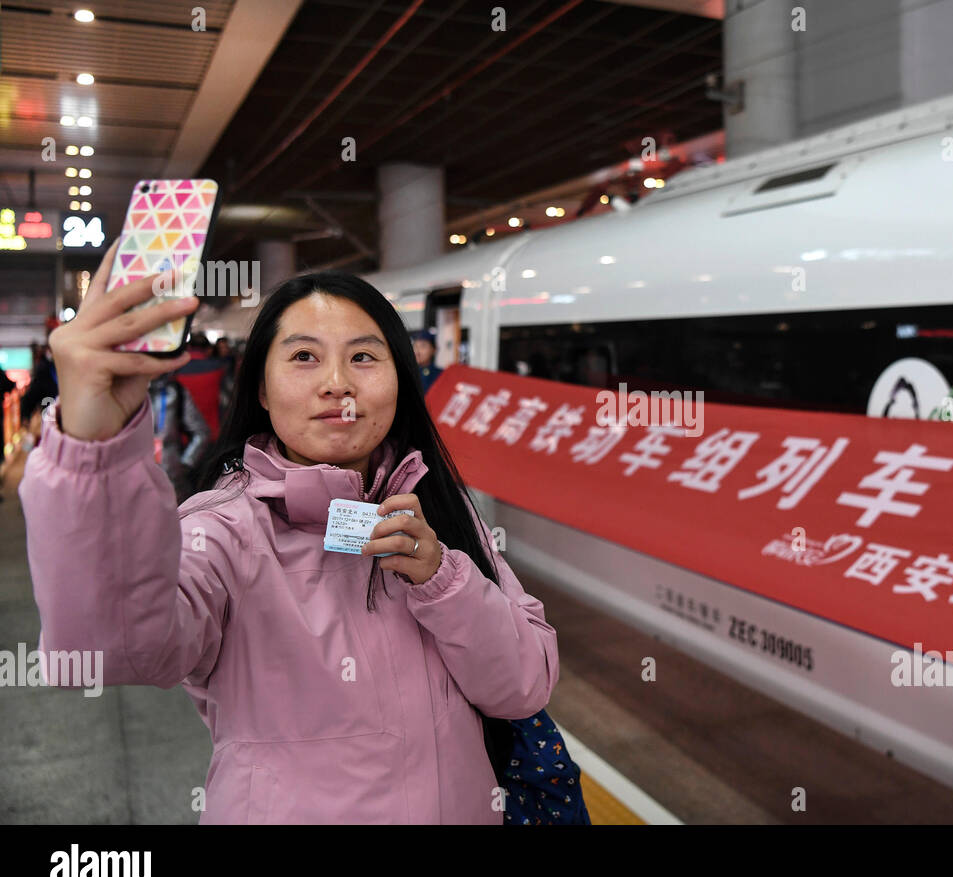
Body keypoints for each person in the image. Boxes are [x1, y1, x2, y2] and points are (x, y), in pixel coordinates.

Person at [19, 239, 558, 824]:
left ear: (400, 380)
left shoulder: (438, 513)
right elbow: (108, 649)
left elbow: (524, 687)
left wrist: (441, 579)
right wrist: (95, 449)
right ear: (260, 388)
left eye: (364, 357)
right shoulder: (222, 530)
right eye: (304, 357)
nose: (336, 383)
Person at [148, 371, 211, 503]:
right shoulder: (127, 393)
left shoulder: (175, 392)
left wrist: (185, 463)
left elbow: (201, 433)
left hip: (172, 480)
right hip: (135, 482)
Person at [411, 328, 441, 394]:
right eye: (415, 346)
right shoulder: (407, 372)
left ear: (434, 350)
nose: (417, 351)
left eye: (423, 346)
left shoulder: (441, 375)